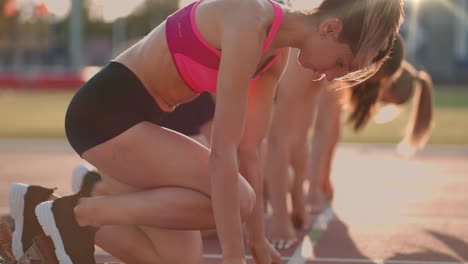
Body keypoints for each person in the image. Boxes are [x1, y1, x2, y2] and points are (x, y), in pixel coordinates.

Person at [12, 0, 404, 263]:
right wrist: (236, 258)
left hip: (144, 122)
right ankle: (70, 214)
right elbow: (223, 155)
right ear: (330, 28)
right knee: (242, 198)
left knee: (179, 260)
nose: (328, 76)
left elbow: (250, 150)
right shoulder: (249, 23)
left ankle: (35, 217)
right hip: (107, 112)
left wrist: (258, 242)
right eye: (339, 63)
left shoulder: (276, 56)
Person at [266, 34, 434, 249]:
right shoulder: (309, 61)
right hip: (225, 104)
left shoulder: (324, 68)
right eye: (366, 77)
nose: (351, 81)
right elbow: (279, 140)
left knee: (280, 160)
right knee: (254, 178)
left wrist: (299, 201)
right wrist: (281, 217)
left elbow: (302, 138)